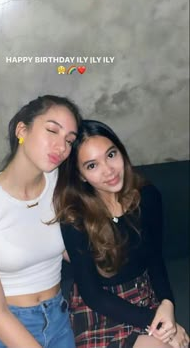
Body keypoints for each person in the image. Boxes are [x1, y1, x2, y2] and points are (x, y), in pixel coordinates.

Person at [0, 95, 82, 348]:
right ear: (22, 130)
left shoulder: (61, 184)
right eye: (52, 131)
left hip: (58, 318)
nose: (62, 147)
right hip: (3, 328)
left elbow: (77, 251)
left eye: (69, 140)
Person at [53, 119, 189, 348]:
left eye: (111, 155)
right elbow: (92, 294)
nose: (108, 171)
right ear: (82, 176)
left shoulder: (147, 197)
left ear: (121, 152)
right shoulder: (76, 218)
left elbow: (155, 259)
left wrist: (167, 304)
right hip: (100, 309)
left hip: (144, 294)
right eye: (92, 165)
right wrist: (156, 324)